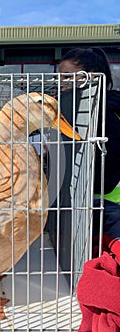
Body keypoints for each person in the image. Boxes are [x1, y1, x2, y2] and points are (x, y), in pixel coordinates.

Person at [59, 47, 120, 240]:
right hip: (90, 205)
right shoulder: (75, 108)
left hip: (106, 206)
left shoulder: (103, 112)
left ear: (89, 77)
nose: (61, 83)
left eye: (67, 77)